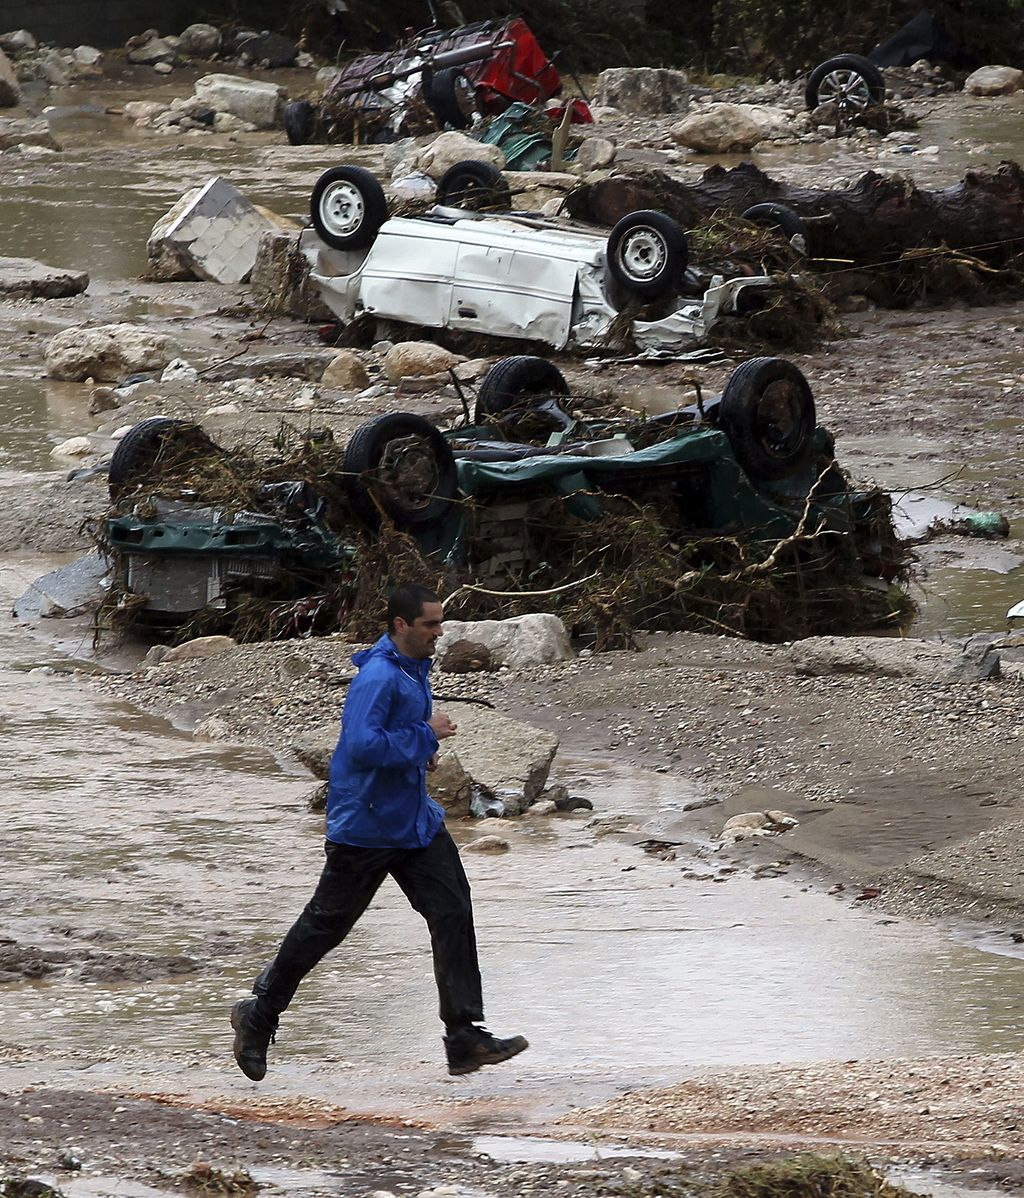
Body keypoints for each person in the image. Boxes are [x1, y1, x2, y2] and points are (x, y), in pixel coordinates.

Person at [230, 583, 528, 1079]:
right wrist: (426, 733)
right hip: (365, 827)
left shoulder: (413, 668)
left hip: (413, 822)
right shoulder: (378, 677)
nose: (439, 632)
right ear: (400, 625)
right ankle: (258, 1015)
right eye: (430, 624)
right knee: (325, 927)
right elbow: (363, 746)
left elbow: (392, 738)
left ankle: (463, 1037)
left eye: (440, 622)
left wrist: (421, 752)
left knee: (452, 908)